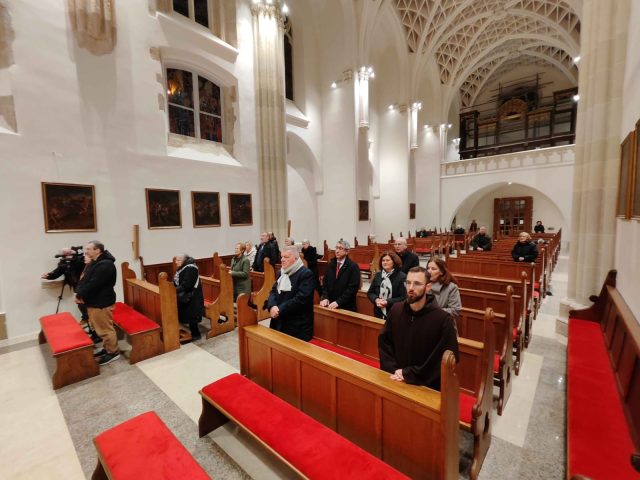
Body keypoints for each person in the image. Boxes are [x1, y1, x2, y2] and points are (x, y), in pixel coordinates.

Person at [378, 267, 459, 391]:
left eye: (417, 284)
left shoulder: (442, 319)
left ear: (428, 287)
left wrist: (409, 374)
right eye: (408, 282)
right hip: (395, 378)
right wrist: (394, 370)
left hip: (425, 386)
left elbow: (444, 358)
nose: (411, 288)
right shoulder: (396, 310)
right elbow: (384, 342)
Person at [74, 241, 119, 366]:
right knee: (100, 328)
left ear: (97, 250)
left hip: (101, 302)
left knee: (105, 329)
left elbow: (94, 284)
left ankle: (113, 352)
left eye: (89, 249)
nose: (86, 251)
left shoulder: (105, 265)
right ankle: (107, 348)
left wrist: (80, 295)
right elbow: (85, 280)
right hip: (95, 301)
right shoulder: (95, 262)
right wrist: (79, 294)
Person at [42, 246, 94, 337]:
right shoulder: (64, 264)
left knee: (90, 307)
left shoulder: (80, 261)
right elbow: (57, 272)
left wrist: (73, 258)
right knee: (81, 305)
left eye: (68, 254)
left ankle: (93, 326)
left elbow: (80, 264)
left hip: (87, 287)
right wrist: (49, 276)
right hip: (77, 287)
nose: (67, 256)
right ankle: (86, 320)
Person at [267, 246, 316, 341]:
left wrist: (279, 309)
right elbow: (273, 291)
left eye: (286, 257)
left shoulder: (306, 274)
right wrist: (272, 306)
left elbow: (301, 299)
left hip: (296, 325)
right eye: (281, 257)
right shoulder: (280, 272)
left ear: (296, 258)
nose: (282, 260)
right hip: (278, 320)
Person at [320, 240, 360, 311]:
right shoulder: (331, 265)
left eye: (340, 248)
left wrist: (338, 302)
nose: (337, 251)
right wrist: (325, 298)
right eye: (336, 248)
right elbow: (325, 284)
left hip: (346, 307)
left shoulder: (353, 266)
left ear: (347, 251)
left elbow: (352, 289)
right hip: (330, 305)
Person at [174, 254, 205, 341]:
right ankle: (192, 333)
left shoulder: (191, 268)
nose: (176, 262)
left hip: (193, 296)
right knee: (189, 315)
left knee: (192, 317)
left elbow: (187, 284)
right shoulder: (183, 267)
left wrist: (174, 290)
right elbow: (178, 281)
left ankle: (196, 335)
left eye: (178, 260)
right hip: (187, 295)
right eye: (176, 260)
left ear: (184, 260)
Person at [367, 251, 407, 319]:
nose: (385, 262)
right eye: (383, 260)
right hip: (378, 311)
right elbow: (370, 292)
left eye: (387, 260)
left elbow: (403, 297)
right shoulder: (378, 275)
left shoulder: (402, 277)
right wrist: (376, 299)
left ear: (394, 262)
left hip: (394, 312)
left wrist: (387, 302)